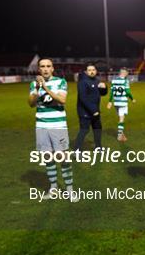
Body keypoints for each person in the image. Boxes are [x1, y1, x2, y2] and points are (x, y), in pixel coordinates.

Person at [28, 58, 77, 202]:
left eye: (48, 66)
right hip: (42, 126)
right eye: (42, 66)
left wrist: (45, 88)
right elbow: (31, 103)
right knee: (48, 158)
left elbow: (62, 100)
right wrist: (37, 88)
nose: (45, 69)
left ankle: (70, 190)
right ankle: (53, 188)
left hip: (58, 126)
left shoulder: (61, 82)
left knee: (62, 158)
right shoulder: (34, 84)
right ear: (39, 69)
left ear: (52, 68)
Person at [74, 63, 107, 151]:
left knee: (97, 129)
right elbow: (83, 98)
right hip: (85, 112)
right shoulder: (83, 82)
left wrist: (104, 88)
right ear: (86, 72)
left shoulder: (97, 81)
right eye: (89, 70)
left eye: (93, 70)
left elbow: (103, 94)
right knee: (84, 130)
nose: (92, 72)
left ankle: (98, 147)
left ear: (96, 71)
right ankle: (76, 150)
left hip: (95, 111)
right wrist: (93, 110)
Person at [107, 68, 136, 142]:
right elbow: (128, 92)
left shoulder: (114, 80)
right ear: (124, 73)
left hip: (116, 102)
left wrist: (110, 101)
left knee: (120, 117)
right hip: (122, 102)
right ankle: (120, 135)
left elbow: (112, 92)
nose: (127, 74)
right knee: (121, 119)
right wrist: (132, 99)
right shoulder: (125, 81)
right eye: (127, 73)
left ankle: (121, 134)